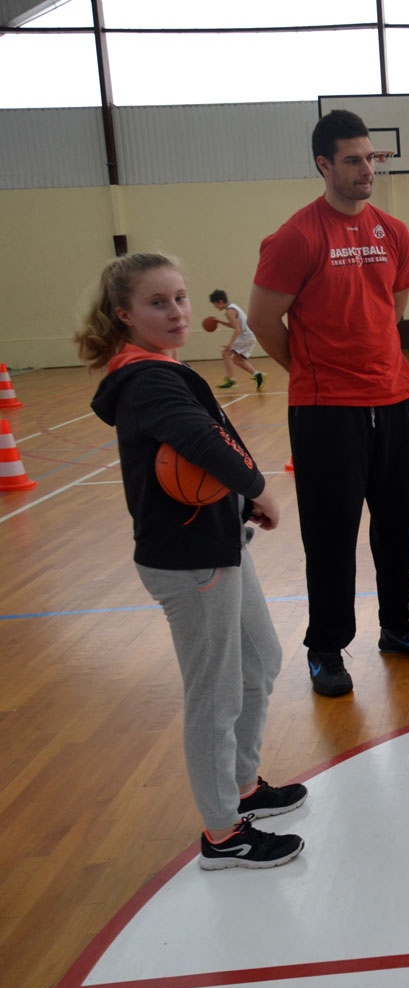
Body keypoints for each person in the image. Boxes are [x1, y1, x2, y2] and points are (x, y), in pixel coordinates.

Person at [79, 252, 306, 869]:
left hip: (216, 541)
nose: (177, 311)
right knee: (216, 691)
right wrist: (258, 487)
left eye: (180, 298)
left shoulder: (157, 368)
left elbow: (204, 446)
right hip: (188, 559)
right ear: (125, 315)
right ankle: (222, 834)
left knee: (260, 659)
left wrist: (236, 504)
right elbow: (202, 441)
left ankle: (241, 784)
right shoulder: (146, 378)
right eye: (158, 303)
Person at [248, 109, 409, 698]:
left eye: (371, 157)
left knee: (397, 527)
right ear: (324, 165)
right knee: (331, 535)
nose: (367, 169)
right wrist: (315, 373)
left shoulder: (394, 231)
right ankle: (327, 646)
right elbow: (263, 319)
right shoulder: (296, 236)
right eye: (353, 160)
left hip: (392, 401)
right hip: (324, 412)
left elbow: (395, 305)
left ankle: (401, 628)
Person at [209, 289, 264, 392]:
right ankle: (258, 375)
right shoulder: (233, 307)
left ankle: (232, 381)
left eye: (215, 304)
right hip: (249, 335)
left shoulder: (230, 312)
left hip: (246, 336)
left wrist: (230, 345)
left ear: (220, 301)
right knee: (237, 360)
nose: (215, 307)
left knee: (226, 354)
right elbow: (235, 326)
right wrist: (219, 322)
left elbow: (237, 330)